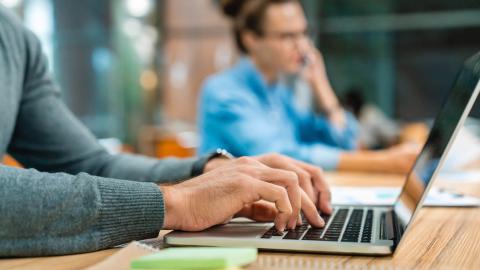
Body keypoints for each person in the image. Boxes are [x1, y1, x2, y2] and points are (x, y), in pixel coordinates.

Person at [0, 5, 332, 257]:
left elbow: (92, 165)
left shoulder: (14, 38)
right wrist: (176, 202)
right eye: (286, 35)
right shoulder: (225, 89)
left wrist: (203, 171)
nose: (301, 46)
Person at [198, 0, 419, 173]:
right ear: (251, 39)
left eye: (304, 33)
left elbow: (346, 142)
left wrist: (322, 86)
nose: (303, 46)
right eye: (287, 36)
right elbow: (280, 156)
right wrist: (380, 162)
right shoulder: (223, 93)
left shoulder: (279, 93)